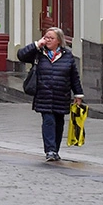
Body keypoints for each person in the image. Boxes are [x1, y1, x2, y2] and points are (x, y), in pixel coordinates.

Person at [18, 28, 84, 161]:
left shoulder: (67, 55)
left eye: (51, 38)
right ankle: (50, 150)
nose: (47, 40)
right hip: (44, 95)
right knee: (48, 121)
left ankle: (55, 150)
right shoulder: (39, 53)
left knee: (59, 124)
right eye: (46, 37)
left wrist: (78, 94)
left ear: (59, 41)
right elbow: (21, 55)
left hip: (61, 95)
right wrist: (37, 44)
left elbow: (74, 76)